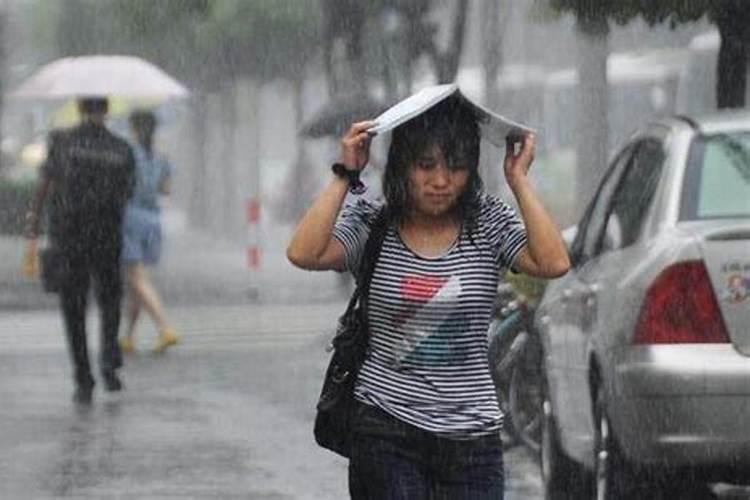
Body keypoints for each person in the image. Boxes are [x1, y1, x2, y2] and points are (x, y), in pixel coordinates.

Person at [287, 95, 570, 499]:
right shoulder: (374, 223)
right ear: (402, 166)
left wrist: (518, 180)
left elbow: (553, 261)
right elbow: (304, 252)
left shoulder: (487, 221)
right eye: (426, 166)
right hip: (386, 430)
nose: (441, 181)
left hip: (472, 438)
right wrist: (344, 175)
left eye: (455, 167)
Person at [24, 97, 135, 405]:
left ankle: (83, 377)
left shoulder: (61, 142)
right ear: (107, 111)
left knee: (73, 308)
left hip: (69, 237)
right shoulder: (121, 148)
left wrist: (34, 221)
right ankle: (109, 363)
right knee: (110, 300)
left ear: (81, 108)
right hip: (107, 236)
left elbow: (45, 185)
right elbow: (128, 192)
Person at [118, 110, 180, 355]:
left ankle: (165, 328)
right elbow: (166, 190)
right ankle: (129, 337)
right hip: (153, 220)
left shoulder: (128, 154)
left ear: (133, 128)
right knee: (136, 282)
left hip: (131, 217)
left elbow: (120, 186)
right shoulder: (161, 156)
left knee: (136, 278)